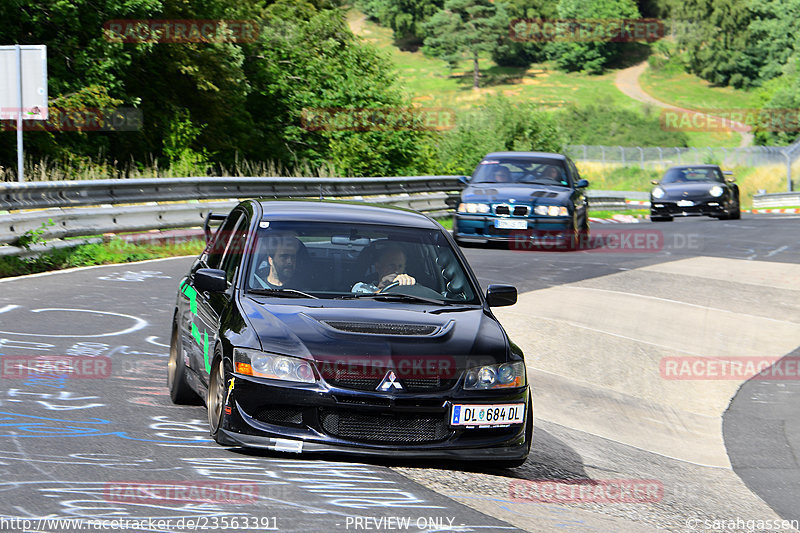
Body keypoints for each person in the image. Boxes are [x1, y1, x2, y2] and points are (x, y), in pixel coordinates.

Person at [352, 244, 416, 294]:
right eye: (391, 265)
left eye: (400, 266)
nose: (396, 270)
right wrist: (387, 287)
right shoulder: (362, 287)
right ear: (378, 267)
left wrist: (408, 286)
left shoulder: (410, 288)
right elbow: (363, 303)